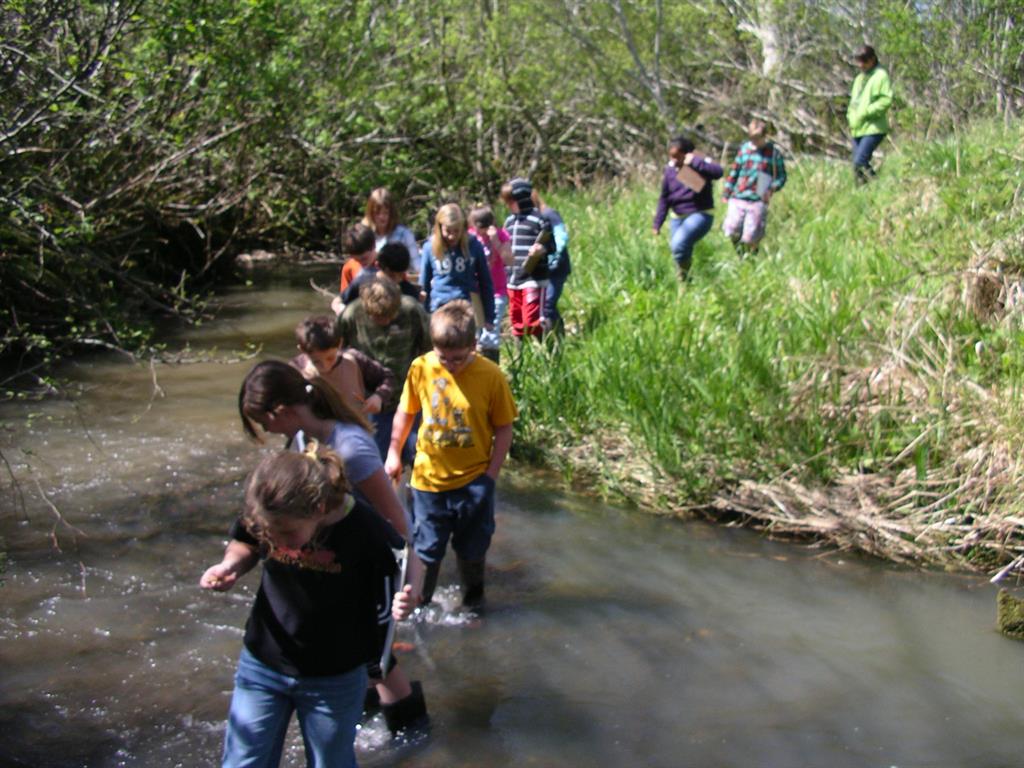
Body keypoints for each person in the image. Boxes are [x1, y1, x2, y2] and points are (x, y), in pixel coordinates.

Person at [236, 361, 428, 736]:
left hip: (366, 563)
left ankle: (413, 732)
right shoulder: (301, 439)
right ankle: (373, 719)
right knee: (365, 660)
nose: (264, 430)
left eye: (264, 421)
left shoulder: (349, 448)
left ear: (283, 411)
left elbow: (395, 520)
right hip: (333, 564)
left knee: (376, 657)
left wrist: (410, 580)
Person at [200, 443, 416, 767]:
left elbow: (407, 558)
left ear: (317, 509)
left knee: (331, 761)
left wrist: (410, 597)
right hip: (263, 661)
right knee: (243, 760)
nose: (276, 541)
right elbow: (245, 542)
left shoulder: (363, 527)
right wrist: (230, 566)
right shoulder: (270, 507)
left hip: (335, 675)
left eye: (285, 532)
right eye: (268, 532)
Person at [385, 300, 517, 608]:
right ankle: (419, 606)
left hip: (474, 481)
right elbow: (405, 413)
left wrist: (490, 477)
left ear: (474, 345)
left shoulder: (491, 376)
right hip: (427, 481)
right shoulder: (422, 367)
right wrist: (393, 452)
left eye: (458, 358)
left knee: (472, 550)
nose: (450, 365)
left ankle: (473, 604)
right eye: (443, 358)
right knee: (426, 550)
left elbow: (504, 429)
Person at [337, 277, 432, 462]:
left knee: (417, 454)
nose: (385, 321)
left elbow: (428, 349)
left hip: (409, 397)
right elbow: (336, 354)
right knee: (376, 457)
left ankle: (412, 488)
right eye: (379, 317)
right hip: (371, 401)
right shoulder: (351, 315)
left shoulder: (412, 311)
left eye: (390, 316)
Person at [290, 315, 397, 418]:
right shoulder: (296, 369)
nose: (325, 367)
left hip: (356, 427)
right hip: (316, 432)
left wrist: (379, 396)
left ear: (340, 344)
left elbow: (387, 377)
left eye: (330, 358)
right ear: (302, 350)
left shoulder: (353, 360)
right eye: (316, 361)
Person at [419, 202, 496, 342]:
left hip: (467, 306)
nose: (452, 236)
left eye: (457, 231)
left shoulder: (474, 246)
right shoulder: (429, 247)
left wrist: (489, 316)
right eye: (448, 231)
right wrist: (423, 315)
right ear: (439, 227)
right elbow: (423, 285)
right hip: (439, 306)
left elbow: (486, 283)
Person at [652, 135, 723, 282]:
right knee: (681, 251)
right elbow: (665, 197)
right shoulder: (670, 170)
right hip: (677, 217)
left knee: (678, 245)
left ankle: (685, 279)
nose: (674, 161)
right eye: (671, 157)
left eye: (677, 157)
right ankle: (684, 281)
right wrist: (657, 223)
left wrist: (695, 162)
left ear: (687, 154)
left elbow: (718, 172)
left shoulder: (699, 161)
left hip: (700, 214)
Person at [721, 119, 787, 254]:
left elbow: (781, 176)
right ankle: (739, 253)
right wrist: (727, 192)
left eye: (758, 139)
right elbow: (735, 171)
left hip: (758, 198)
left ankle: (750, 257)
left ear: (765, 137)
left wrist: (772, 188)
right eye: (752, 138)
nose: (755, 142)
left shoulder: (773, 153)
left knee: (751, 236)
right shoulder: (744, 150)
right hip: (738, 195)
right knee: (732, 229)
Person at [501, 178, 555, 339]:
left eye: (510, 201)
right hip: (513, 279)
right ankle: (521, 354)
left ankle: (542, 348)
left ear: (521, 198)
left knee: (533, 318)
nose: (508, 205)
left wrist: (541, 249)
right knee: (516, 318)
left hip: (533, 278)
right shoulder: (509, 221)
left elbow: (552, 246)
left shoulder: (539, 219)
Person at [467, 205, 513, 363]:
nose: (483, 231)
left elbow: (509, 260)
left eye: (486, 226)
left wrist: (495, 241)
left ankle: (492, 369)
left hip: (497, 291)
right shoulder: (470, 237)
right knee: (474, 333)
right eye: (479, 227)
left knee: (490, 333)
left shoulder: (501, 235)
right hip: (475, 292)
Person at [847, 44, 893, 185]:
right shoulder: (859, 79)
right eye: (859, 61)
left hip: (874, 128)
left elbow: (885, 100)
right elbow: (854, 101)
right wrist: (851, 116)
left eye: (864, 61)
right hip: (857, 128)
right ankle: (863, 193)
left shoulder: (881, 76)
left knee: (860, 162)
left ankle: (877, 186)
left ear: (872, 59)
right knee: (857, 167)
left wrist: (866, 112)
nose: (861, 65)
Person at [531, 189, 572, 334]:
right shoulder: (531, 220)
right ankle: (558, 335)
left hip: (557, 269)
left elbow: (561, 236)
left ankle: (556, 340)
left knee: (548, 304)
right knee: (546, 306)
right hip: (541, 271)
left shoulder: (549, 214)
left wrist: (553, 255)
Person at [340, 242, 421, 306]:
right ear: (377, 266)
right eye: (391, 275)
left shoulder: (410, 293)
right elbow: (340, 301)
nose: (395, 280)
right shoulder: (361, 283)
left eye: (400, 275)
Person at [363, 187, 420, 265]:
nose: (382, 217)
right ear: (371, 213)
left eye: (385, 213)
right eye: (377, 213)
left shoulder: (404, 234)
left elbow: (417, 267)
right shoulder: (365, 235)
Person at [338, 223, 377, 297]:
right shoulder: (349, 267)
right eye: (357, 260)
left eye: (364, 258)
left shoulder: (388, 263)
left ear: (374, 245)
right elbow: (345, 298)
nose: (361, 263)